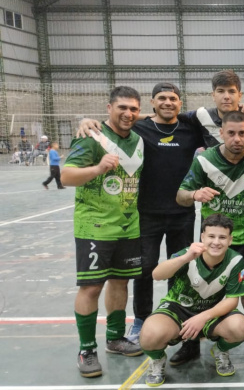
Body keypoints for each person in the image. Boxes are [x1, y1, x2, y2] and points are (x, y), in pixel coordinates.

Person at [75, 83, 205, 358]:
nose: (168, 102)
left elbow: (221, 122)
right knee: (143, 269)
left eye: (173, 98)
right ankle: (141, 319)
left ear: (180, 103)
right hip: (145, 213)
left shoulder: (191, 128)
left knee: (181, 268)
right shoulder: (139, 127)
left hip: (182, 212)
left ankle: (176, 315)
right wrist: (87, 121)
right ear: (152, 103)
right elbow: (117, 120)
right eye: (162, 98)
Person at [177, 110, 244, 360]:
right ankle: (190, 341)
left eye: (242, 133)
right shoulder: (204, 160)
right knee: (199, 290)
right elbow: (180, 195)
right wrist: (194, 194)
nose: (237, 138)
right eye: (231, 133)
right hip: (212, 241)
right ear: (221, 133)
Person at [61, 86, 145, 377]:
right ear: (109, 108)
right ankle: (86, 350)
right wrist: (98, 169)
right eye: (122, 107)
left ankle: (115, 338)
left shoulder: (138, 138)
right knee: (91, 287)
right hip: (94, 226)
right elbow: (66, 176)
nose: (128, 113)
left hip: (128, 225)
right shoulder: (91, 136)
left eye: (133, 109)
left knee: (120, 282)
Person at [140, 214, 244, 387]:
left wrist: (202, 317)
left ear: (230, 240)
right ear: (202, 237)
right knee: (149, 335)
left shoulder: (235, 260)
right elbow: (157, 275)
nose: (216, 242)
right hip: (177, 308)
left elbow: (232, 301)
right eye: (211, 236)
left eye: (222, 237)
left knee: (240, 327)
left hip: (211, 311)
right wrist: (185, 258)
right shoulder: (188, 254)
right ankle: (157, 359)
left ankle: (220, 350)